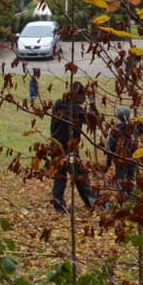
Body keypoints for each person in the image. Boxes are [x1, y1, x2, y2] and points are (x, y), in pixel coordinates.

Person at [48, 82, 96, 212]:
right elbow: (94, 121)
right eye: (83, 95)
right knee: (80, 176)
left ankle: (59, 206)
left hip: (55, 145)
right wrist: (92, 104)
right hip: (69, 149)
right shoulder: (77, 110)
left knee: (60, 177)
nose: (84, 99)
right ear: (77, 95)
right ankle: (92, 203)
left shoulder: (58, 104)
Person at [106, 106, 140, 198]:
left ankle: (122, 195)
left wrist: (108, 161)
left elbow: (110, 146)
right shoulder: (134, 128)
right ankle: (129, 195)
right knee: (130, 176)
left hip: (120, 159)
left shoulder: (115, 130)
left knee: (120, 177)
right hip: (132, 157)